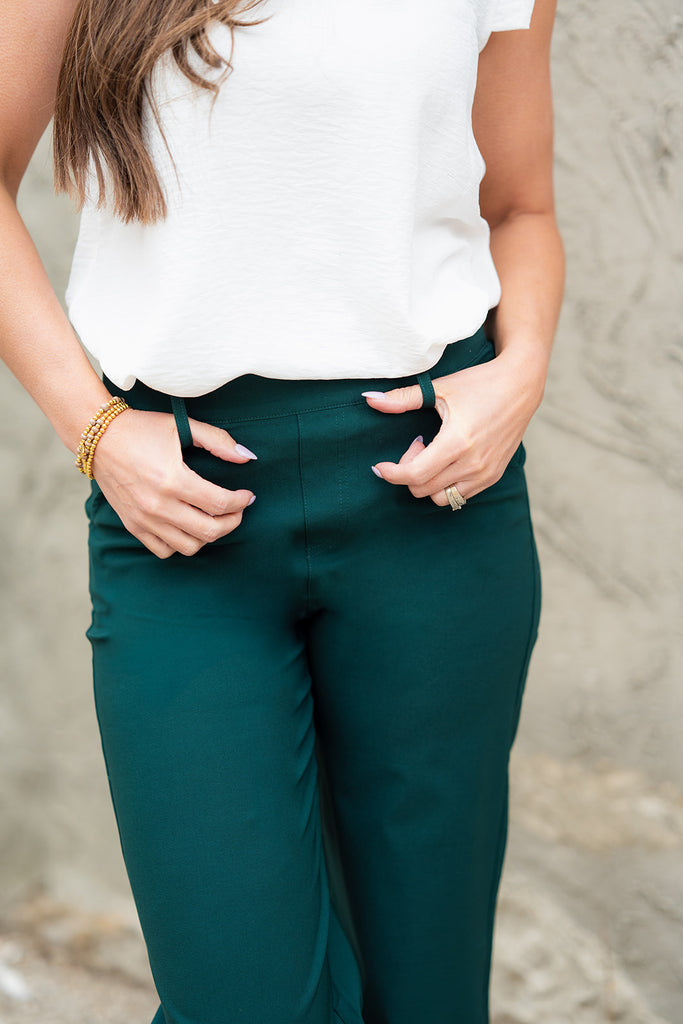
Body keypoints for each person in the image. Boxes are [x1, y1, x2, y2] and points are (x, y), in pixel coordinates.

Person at [0, 0, 564, 1020]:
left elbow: (519, 206)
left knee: (426, 997)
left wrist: (518, 373)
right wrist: (95, 429)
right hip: (183, 525)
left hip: (433, 504)